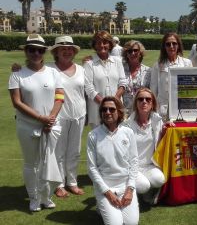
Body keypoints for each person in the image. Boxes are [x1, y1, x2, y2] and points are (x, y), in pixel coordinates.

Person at [8, 34, 64, 211]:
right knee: (31, 163)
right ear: (26, 51)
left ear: (44, 52)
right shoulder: (17, 74)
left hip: (50, 126)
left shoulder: (53, 72)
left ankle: (46, 197)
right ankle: (33, 197)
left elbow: (60, 97)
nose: (36, 53)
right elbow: (17, 102)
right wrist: (41, 118)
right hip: (28, 126)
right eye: (32, 49)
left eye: (39, 50)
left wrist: (50, 118)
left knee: (47, 161)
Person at [87, 96, 139, 225]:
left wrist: (130, 190)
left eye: (112, 109)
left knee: (131, 223)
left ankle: (104, 208)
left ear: (119, 112)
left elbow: (134, 162)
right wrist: (107, 193)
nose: (108, 112)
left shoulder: (128, 132)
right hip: (105, 188)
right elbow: (92, 168)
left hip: (125, 186)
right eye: (104, 109)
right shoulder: (93, 135)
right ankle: (101, 205)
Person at [48, 36, 86, 198]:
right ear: (56, 51)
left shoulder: (82, 69)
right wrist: (17, 69)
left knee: (75, 151)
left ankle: (72, 182)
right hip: (58, 116)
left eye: (70, 49)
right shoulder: (49, 69)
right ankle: (59, 184)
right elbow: (31, 71)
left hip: (79, 114)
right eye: (63, 48)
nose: (67, 51)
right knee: (59, 151)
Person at [125, 88, 166, 203]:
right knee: (143, 186)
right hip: (132, 167)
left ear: (152, 103)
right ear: (136, 103)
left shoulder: (157, 121)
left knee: (160, 180)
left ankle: (145, 192)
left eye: (148, 99)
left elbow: (164, 134)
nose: (144, 102)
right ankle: (135, 191)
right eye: (140, 99)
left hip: (150, 165)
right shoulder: (127, 124)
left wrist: (170, 126)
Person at [84, 30, 127, 129]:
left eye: (105, 42)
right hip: (97, 111)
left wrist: (114, 101)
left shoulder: (117, 61)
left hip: (117, 109)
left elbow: (123, 82)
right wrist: (105, 104)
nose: (102, 45)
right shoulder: (89, 63)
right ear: (94, 45)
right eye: (98, 43)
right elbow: (89, 89)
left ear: (110, 44)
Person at [150, 32, 192, 110]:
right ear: (164, 47)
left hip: (182, 107)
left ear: (178, 45)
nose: (171, 46)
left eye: (174, 43)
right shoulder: (158, 65)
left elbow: (191, 88)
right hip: (163, 108)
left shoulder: (187, 63)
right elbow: (153, 90)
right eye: (168, 44)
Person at [122, 40, 151, 116]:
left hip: (142, 112)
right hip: (123, 112)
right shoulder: (120, 70)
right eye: (129, 51)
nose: (133, 53)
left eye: (135, 50)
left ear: (140, 53)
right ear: (126, 54)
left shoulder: (148, 71)